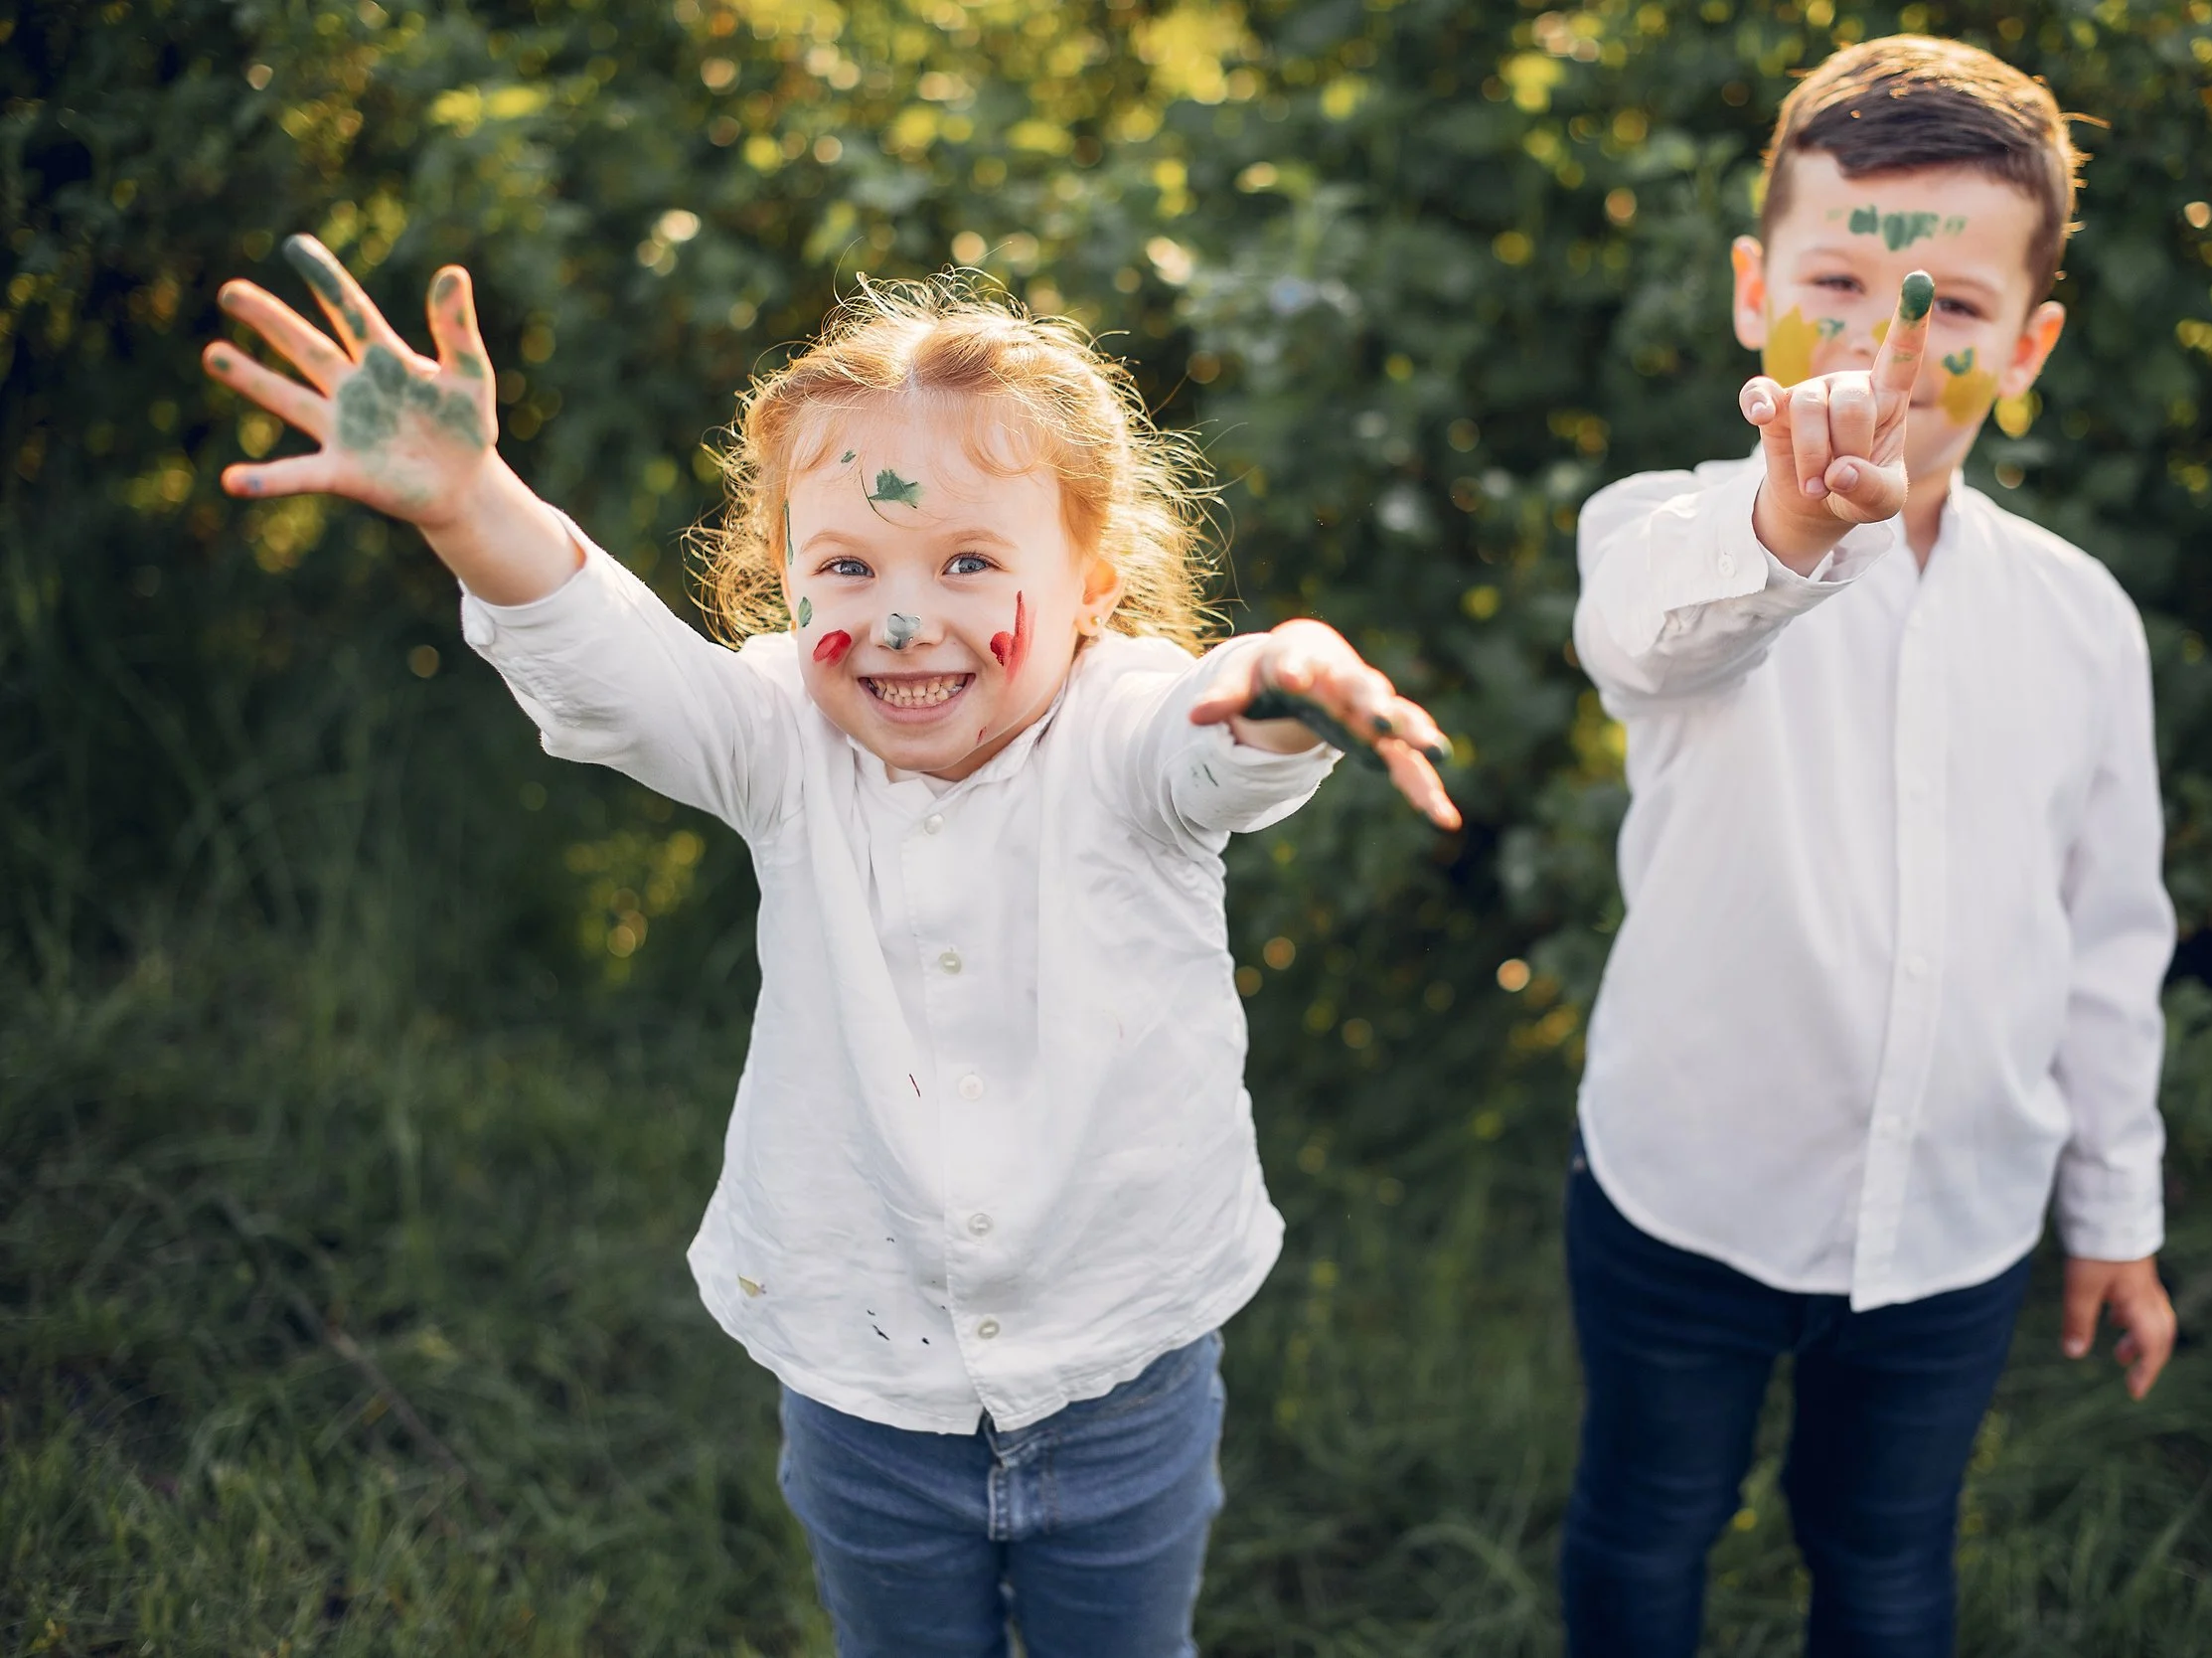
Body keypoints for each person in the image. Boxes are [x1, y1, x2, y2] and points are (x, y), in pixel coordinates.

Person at [200, 240, 1460, 1658]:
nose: (901, 619)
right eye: (847, 565)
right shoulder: (781, 740)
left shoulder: (1122, 733)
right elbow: (615, 670)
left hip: (1128, 1371)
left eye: (971, 562)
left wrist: (1288, 673)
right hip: (864, 1393)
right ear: (785, 580)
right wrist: (474, 502)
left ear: (1097, 586)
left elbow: (1220, 738)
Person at [1562, 36, 2178, 1658]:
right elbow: (1648, 640)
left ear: (2030, 344)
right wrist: (1794, 529)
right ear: (1752, 286)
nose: (1887, 339)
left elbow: (2108, 933)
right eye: (1838, 278)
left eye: (1953, 307)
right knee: (1646, 1531)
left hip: (1954, 1221)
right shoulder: (1664, 531)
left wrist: (2115, 1210)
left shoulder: (2079, 621)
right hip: (1687, 1186)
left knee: (1890, 1566)